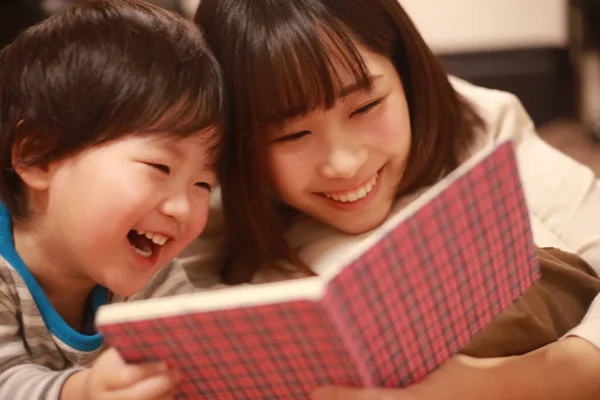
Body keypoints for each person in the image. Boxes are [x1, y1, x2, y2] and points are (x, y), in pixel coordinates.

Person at [191, 0, 600, 398]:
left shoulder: (478, 121)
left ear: (405, 71)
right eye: (292, 135)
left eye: (366, 107)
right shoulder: (210, 187)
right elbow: (167, 314)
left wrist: (492, 384)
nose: (344, 164)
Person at [0, 1, 223, 399]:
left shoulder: (147, 269)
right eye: (159, 167)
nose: (182, 208)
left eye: (203, 186)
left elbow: (203, 351)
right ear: (37, 157)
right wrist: (82, 392)